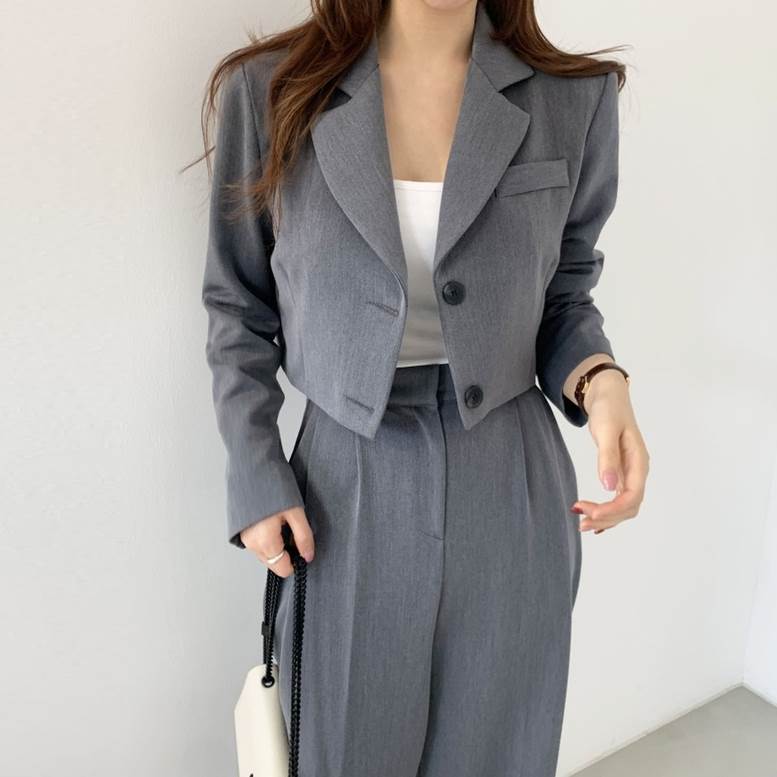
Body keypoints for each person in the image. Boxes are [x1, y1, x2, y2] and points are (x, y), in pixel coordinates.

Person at [198, 1, 650, 774]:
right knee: (345, 750)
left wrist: (600, 381)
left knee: (500, 750)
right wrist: (254, 469)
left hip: (510, 475)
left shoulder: (573, 98)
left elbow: (564, 293)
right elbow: (237, 304)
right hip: (342, 482)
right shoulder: (269, 90)